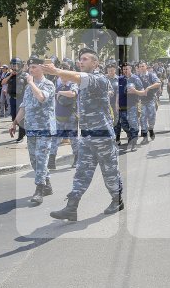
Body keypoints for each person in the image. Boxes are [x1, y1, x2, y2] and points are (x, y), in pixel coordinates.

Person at [42, 49, 123, 221]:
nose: (81, 61)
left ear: (95, 63)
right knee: (81, 172)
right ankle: (71, 208)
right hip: (86, 136)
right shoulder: (83, 82)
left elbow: (79, 77)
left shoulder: (99, 79)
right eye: (80, 59)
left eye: (85, 59)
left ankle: (117, 200)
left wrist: (56, 71)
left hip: (102, 135)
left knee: (109, 171)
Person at [9, 58, 56, 203]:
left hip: (44, 128)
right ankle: (47, 184)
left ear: (42, 69)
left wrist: (30, 83)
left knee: (41, 159)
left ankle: (39, 189)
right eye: (30, 67)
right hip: (31, 128)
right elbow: (24, 106)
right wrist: (15, 122)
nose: (31, 70)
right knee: (34, 160)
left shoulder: (48, 84)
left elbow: (42, 98)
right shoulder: (30, 87)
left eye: (34, 67)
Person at [48, 67, 79, 170]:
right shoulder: (58, 85)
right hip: (59, 116)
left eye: (64, 75)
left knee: (73, 139)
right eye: (61, 76)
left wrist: (61, 93)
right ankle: (51, 161)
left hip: (71, 117)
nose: (62, 78)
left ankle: (77, 159)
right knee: (55, 139)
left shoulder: (73, 84)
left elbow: (73, 94)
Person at [117, 62, 144, 152]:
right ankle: (130, 137)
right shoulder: (120, 79)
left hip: (132, 105)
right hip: (122, 106)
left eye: (127, 69)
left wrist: (135, 91)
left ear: (130, 69)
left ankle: (134, 143)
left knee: (133, 124)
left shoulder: (135, 79)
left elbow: (142, 91)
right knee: (124, 125)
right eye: (123, 69)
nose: (125, 71)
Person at [1, 57, 27, 142]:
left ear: (20, 66)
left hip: (21, 99)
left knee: (21, 118)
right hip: (12, 99)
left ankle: (21, 135)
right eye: (12, 65)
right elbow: (3, 82)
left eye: (15, 65)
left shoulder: (24, 75)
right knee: (13, 117)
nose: (14, 66)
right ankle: (23, 131)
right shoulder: (10, 75)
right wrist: (11, 75)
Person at [136, 62, 161, 144]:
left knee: (152, 117)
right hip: (141, 101)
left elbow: (158, 83)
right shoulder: (137, 77)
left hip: (151, 100)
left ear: (146, 67)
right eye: (140, 67)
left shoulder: (151, 75)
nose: (141, 68)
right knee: (142, 119)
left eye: (143, 66)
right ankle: (145, 137)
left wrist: (148, 88)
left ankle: (151, 129)